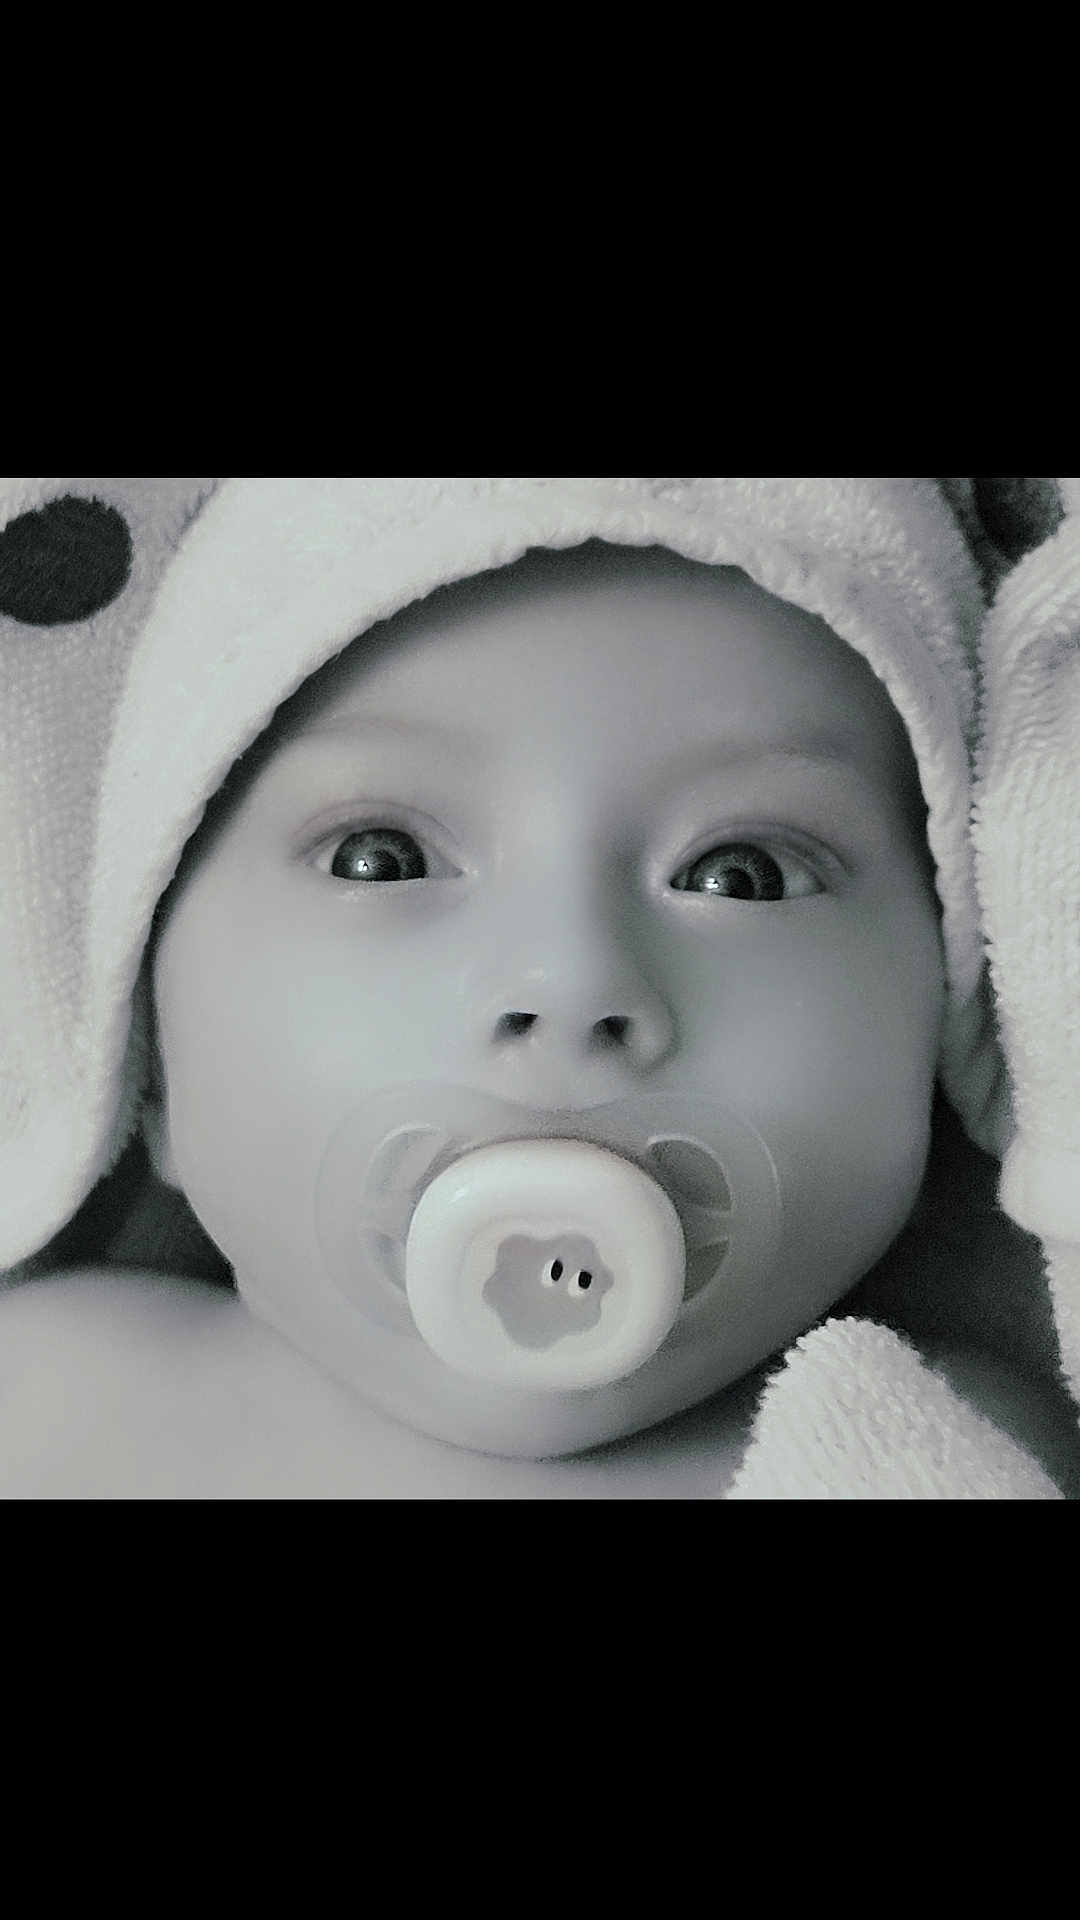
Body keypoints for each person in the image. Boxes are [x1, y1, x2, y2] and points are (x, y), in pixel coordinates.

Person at [1, 478, 1075, 1496]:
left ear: (953, 1005)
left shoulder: (954, 1445)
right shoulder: (43, 1406)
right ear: (141, 1048)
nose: (571, 984)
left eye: (739, 874)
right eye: (382, 856)